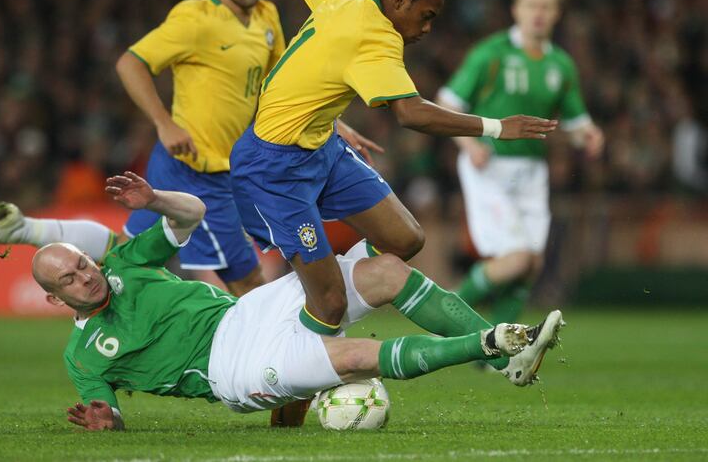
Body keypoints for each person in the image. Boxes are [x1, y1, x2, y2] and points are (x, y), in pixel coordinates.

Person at [0, 0, 379, 298]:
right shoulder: (194, 19)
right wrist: (162, 122)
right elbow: (130, 63)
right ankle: (278, 372)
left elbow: (281, 81)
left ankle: (24, 227)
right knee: (248, 282)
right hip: (200, 170)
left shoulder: (266, 17)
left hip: (231, 167)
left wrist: (335, 124)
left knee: (129, 251)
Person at [215, 0, 558, 338]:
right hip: (272, 168)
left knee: (405, 237)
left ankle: (333, 279)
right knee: (329, 305)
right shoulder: (376, 36)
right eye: (426, 16)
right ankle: (301, 328)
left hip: (322, 148)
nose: (427, 28)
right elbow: (410, 113)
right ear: (399, 2)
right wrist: (498, 127)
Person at [36, 171, 564, 431]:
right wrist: (111, 421)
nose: (85, 276)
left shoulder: (125, 264)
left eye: (83, 263)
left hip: (249, 312)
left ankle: (508, 362)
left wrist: (153, 200)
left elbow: (191, 214)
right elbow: (112, 412)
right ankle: (491, 342)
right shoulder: (82, 358)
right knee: (354, 357)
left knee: (386, 271)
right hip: (233, 370)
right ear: (55, 297)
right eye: (70, 279)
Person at [437, 0, 604, 327]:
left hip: (532, 171)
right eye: (532, 5)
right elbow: (446, 103)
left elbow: (576, 124)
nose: (538, 13)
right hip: (490, 165)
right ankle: (444, 314)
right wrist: (468, 145)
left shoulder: (560, 64)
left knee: (532, 264)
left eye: (546, 6)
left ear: (557, 13)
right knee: (516, 259)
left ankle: (497, 352)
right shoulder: (491, 54)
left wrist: (590, 135)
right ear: (516, 10)